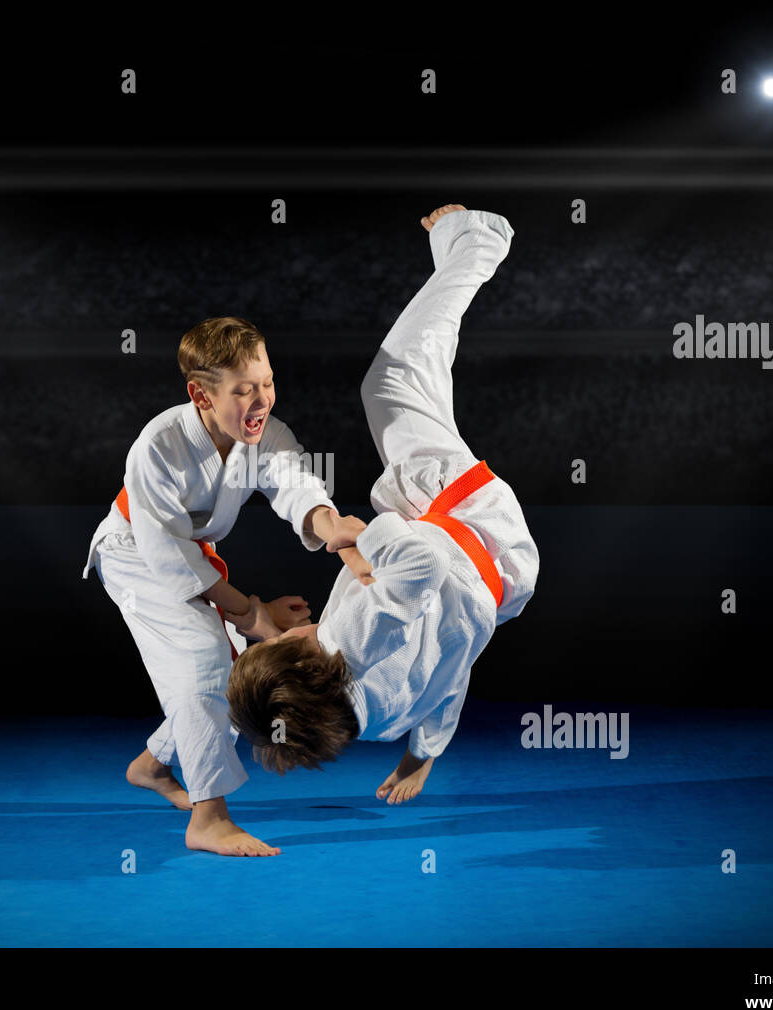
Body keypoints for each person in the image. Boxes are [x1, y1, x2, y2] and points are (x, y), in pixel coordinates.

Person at [227, 205, 539, 807]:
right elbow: (420, 562)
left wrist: (421, 756)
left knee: (419, 383)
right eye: (273, 641)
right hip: (468, 522)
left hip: (506, 585)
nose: (279, 629)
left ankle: (454, 257)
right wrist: (355, 541)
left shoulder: (377, 716)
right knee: (392, 381)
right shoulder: (350, 636)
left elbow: (450, 681)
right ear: (300, 654)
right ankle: (479, 239)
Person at [83, 316, 364, 855]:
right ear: (201, 394)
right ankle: (208, 819)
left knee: (232, 670)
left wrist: (333, 527)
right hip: (134, 553)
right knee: (204, 661)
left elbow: (295, 482)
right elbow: (167, 551)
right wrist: (251, 613)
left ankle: (152, 764)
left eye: (268, 382)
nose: (262, 400)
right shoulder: (158, 444)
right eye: (244, 390)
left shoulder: (264, 435)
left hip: (190, 559)